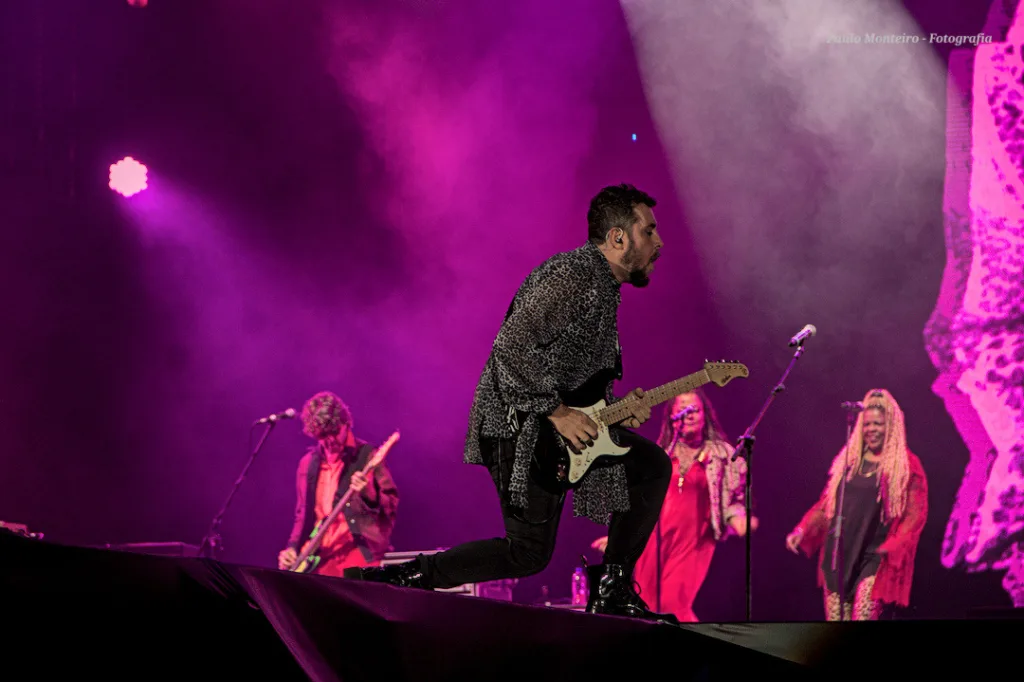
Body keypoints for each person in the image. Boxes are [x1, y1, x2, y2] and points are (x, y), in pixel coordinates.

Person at [347, 184, 677, 623]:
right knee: (528, 553)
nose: (659, 242)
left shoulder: (603, 288)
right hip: (517, 424)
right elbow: (512, 347)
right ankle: (397, 580)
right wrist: (558, 413)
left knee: (644, 467)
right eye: (649, 230)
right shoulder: (573, 276)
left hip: (542, 420)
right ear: (618, 238)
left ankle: (613, 588)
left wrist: (612, 410)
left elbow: (573, 377)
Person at [591, 389, 755, 622]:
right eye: (681, 410)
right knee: (647, 603)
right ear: (671, 417)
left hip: (694, 540)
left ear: (705, 415)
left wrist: (737, 517)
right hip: (654, 539)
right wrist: (621, 536)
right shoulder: (662, 454)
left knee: (673, 602)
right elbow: (641, 498)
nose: (688, 415)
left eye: (694, 410)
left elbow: (736, 494)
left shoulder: (720, 453)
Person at [785, 388, 928, 620]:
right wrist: (803, 530)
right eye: (867, 424)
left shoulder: (906, 466)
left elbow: (915, 515)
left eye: (878, 424)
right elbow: (826, 505)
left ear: (890, 426)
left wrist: (894, 546)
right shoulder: (848, 461)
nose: (871, 430)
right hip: (839, 554)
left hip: (875, 558)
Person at [277, 391, 399, 577]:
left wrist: (368, 494)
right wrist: (292, 548)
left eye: (334, 432)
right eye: (322, 436)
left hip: (359, 554)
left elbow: (390, 506)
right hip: (320, 559)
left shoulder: (367, 455)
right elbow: (303, 515)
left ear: (346, 423)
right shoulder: (307, 464)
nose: (330, 441)